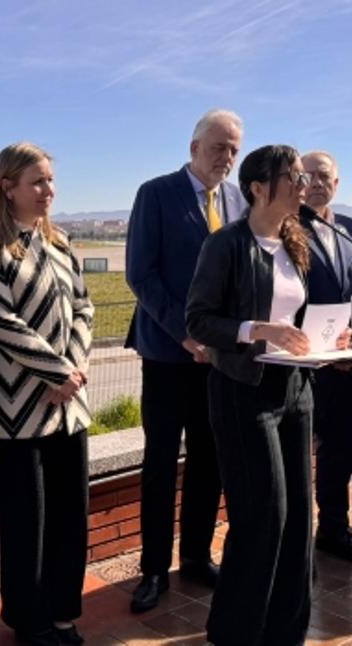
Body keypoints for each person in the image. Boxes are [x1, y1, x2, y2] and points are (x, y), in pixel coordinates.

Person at [188, 144, 344, 645]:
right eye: (292, 177)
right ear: (258, 187)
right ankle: (236, 633)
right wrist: (260, 330)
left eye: (304, 176)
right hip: (242, 392)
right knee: (264, 516)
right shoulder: (226, 244)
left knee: (300, 515)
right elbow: (199, 320)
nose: (304, 185)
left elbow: (296, 318)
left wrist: (326, 339)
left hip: (297, 388)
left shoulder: (296, 240)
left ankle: (286, 631)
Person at [0, 142, 94, 646]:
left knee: (70, 520)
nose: (48, 191)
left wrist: (76, 367)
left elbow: (82, 309)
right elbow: (0, 322)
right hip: (23, 411)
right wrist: (56, 371)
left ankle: (63, 613)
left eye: (50, 182)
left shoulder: (59, 242)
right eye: (37, 182)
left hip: (70, 409)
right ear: (8, 186)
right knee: (28, 524)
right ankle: (30, 621)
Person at [124, 109, 247, 612]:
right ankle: (153, 568)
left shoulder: (240, 200)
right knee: (160, 464)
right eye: (219, 147)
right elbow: (141, 274)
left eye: (235, 149)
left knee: (209, 460)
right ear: (194, 147)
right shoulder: (156, 193)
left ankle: (195, 557)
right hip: (169, 354)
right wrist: (187, 334)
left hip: (218, 358)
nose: (227, 158)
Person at [300, 151, 352, 564]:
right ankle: (296, 537)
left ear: (337, 183)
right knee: (303, 453)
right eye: (306, 175)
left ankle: (333, 530)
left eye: (323, 176)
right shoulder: (285, 227)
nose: (314, 182)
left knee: (342, 449)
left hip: (348, 360)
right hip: (304, 363)